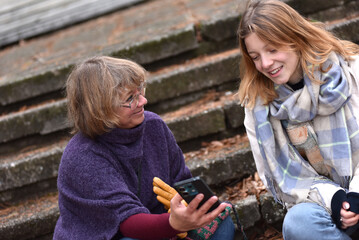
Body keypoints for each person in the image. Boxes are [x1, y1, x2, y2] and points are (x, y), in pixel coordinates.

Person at [53, 56, 235, 240]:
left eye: (140, 91)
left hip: (162, 224)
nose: (143, 101)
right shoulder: (82, 156)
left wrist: (196, 210)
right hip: (117, 235)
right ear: (100, 109)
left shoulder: (153, 125)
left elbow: (181, 181)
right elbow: (128, 222)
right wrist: (173, 224)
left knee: (222, 220)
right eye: (130, 98)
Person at [237, 0, 359, 239]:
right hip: (323, 205)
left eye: (272, 49)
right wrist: (335, 200)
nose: (265, 63)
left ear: (295, 38)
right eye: (255, 56)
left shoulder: (351, 70)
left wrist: (356, 195)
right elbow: (284, 182)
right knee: (299, 223)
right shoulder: (257, 107)